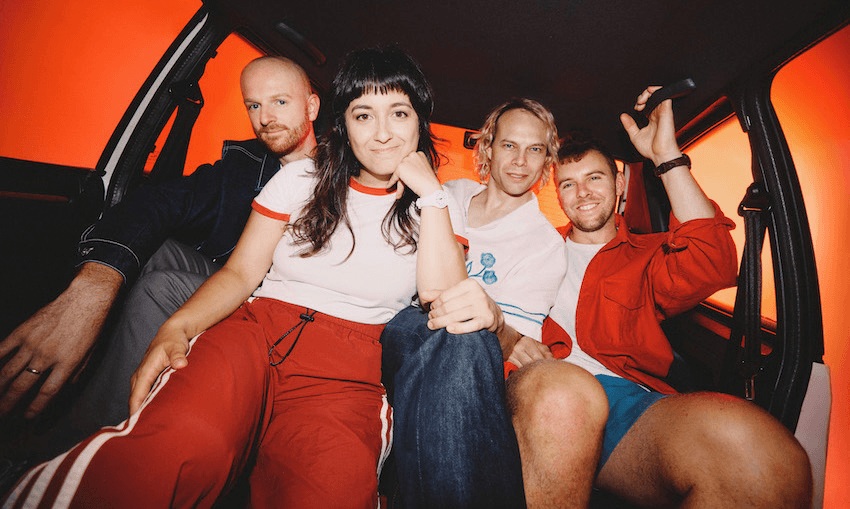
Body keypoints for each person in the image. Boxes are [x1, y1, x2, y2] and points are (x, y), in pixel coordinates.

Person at [3, 46, 467, 508]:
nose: (383, 133)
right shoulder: (300, 178)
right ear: (344, 124)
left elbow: (439, 295)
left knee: (333, 488)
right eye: (364, 115)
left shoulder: (442, 207)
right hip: (255, 333)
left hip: (346, 378)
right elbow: (242, 272)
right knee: (178, 445)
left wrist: (429, 194)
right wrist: (177, 329)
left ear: (420, 121)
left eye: (399, 113)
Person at [506, 86, 812, 507]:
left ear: (618, 184)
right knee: (562, 394)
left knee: (767, 464)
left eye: (595, 177)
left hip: (625, 403)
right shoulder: (533, 248)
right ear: (557, 194)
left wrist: (666, 157)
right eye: (568, 184)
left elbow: (715, 261)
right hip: (538, 390)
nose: (583, 193)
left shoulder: (650, 254)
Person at [0, 56, 320, 459]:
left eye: (279, 102)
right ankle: (76, 363)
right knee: (146, 251)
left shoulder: (347, 167)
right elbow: (159, 201)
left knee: (161, 285)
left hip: (286, 304)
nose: (265, 118)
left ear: (311, 107)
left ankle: (78, 451)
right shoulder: (243, 166)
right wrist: (95, 284)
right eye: (253, 105)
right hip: (232, 275)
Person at [380, 98, 573, 508]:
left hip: (466, 359)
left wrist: (497, 321)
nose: (521, 161)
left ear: (547, 161)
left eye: (535, 149)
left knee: (467, 339)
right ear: (486, 149)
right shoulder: (448, 193)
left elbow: (512, 348)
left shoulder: (545, 245)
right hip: (401, 329)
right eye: (509, 145)